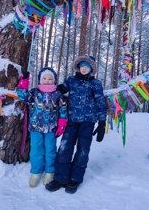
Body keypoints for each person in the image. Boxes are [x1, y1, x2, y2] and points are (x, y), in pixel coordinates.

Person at [45, 55, 107, 194]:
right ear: (78, 67)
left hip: (88, 121)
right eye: (82, 66)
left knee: (83, 150)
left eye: (87, 66)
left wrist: (102, 122)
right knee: (65, 147)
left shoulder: (95, 84)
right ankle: (60, 178)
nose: (84, 68)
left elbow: (100, 102)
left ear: (91, 69)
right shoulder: (71, 80)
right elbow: (61, 89)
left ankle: (75, 179)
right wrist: (47, 88)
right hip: (71, 120)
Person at [17, 67, 67, 187]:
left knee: (50, 150)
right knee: (36, 149)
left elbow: (63, 109)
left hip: (51, 128)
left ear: (54, 80)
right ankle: (36, 172)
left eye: (50, 78)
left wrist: (62, 123)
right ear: (40, 79)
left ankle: (50, 171)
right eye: (44, 78)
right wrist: (24, 82)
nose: (47, 80)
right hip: (35, 127)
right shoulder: (34, 92)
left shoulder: (58, 94)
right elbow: (22, 97)